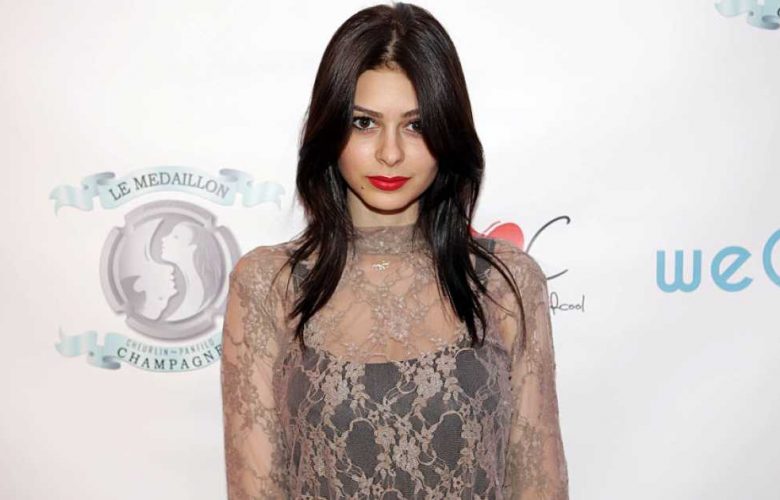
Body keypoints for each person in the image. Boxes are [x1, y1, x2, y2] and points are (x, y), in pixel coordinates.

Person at [220, 2, 569, 498]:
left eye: (416, 125)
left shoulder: (505, 282)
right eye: (364, 123)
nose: (390, 153)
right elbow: (257, 489)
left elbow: (538, 484)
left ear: (447, 132)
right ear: (331, 128)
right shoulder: (268, 284)